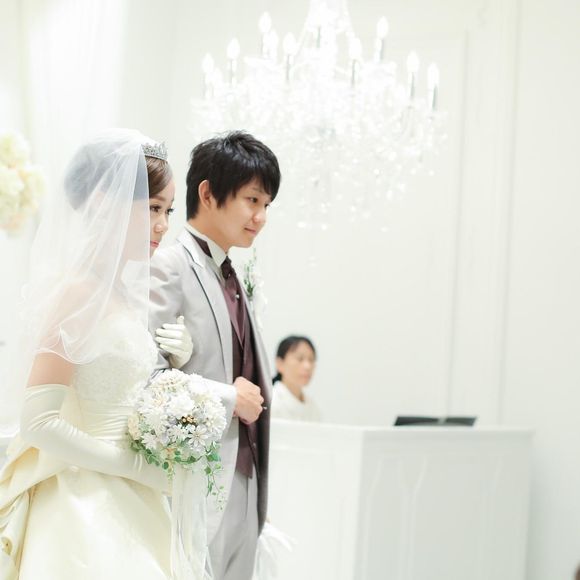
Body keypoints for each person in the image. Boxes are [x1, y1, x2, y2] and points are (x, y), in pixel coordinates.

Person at [0, 129, 192, 579]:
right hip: (81, 503)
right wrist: (132, 466)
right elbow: (38, 422)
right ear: (108, 204)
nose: (163, 226)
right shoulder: (77, 293)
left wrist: (175, 374)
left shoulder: (121, 294)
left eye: (168, 211)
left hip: (136, 495)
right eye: (153, 209)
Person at [149, 131, 281, 580]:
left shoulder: (235, 273)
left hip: (246, 477)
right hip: (194, 480)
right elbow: (147, 378)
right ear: (207, 194)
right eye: (252, 200)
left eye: (267, 205)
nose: (261, 217)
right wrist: (228, 398)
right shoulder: (168, 266)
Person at [271, 336, 321, 422]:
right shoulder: (270, 402)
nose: (307, 366)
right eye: (300, 359)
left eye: (311, 360)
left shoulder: (313, 409)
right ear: (280, 363)